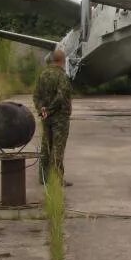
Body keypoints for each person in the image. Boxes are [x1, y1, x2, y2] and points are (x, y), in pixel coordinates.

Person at [33, 47, 74, 185]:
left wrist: (42, 109)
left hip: (46, 117)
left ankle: (43, 177)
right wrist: (50, 110)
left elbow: (36, 95)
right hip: (60, 118)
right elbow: (61, 96)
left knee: (46, 146)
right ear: (62, 60)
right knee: (58, 147)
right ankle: (56, 179)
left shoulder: (43, 75)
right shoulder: (62, 76)